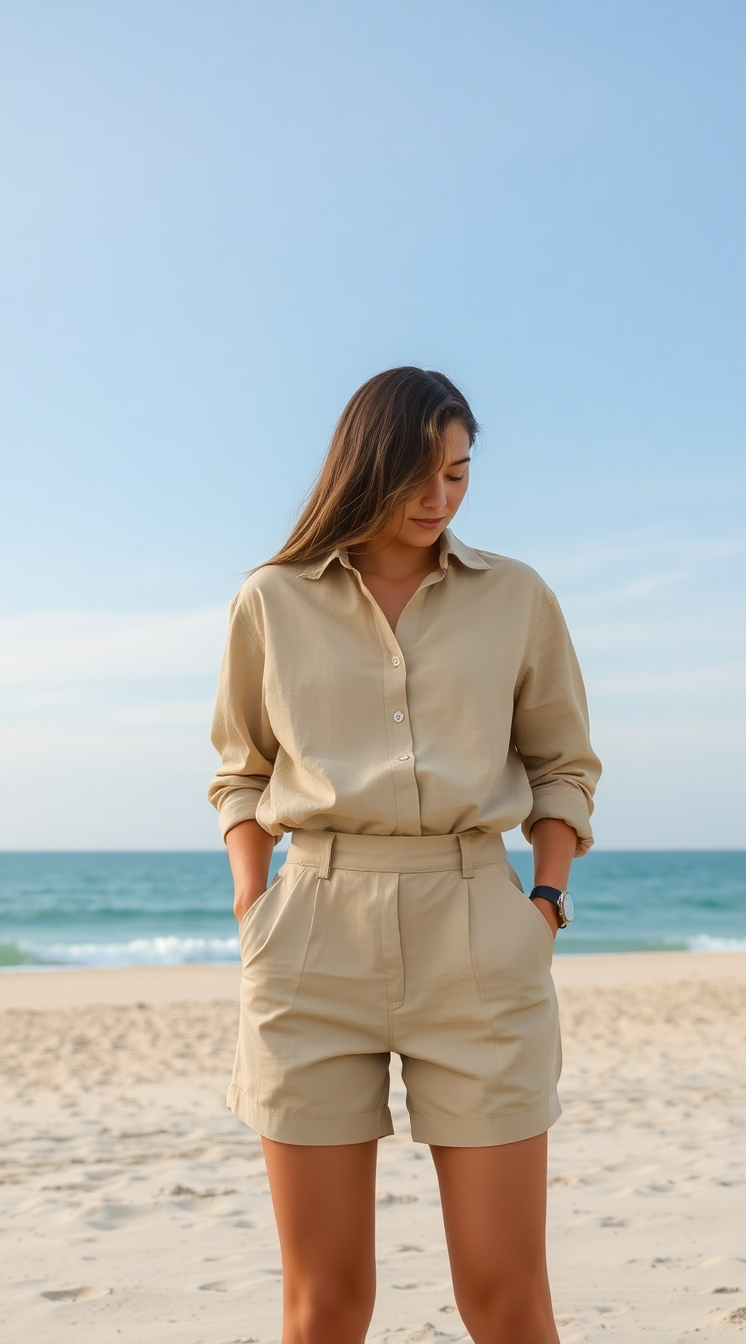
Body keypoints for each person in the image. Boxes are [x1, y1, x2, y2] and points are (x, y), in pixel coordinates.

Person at [208, 366, 601, 1344]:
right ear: (362, 467)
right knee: (326, 1305)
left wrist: (544, 898)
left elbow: (564, 767)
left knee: (507, 1301)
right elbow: (240, 774)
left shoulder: (516, 597)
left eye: (459, 476)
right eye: (418, 477)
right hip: (311, 938)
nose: (439, 500)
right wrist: (255, 905)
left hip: (477, 925)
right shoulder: (271, 600)